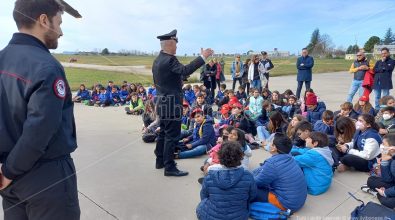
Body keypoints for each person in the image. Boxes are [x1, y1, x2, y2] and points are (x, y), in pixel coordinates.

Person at [0, 0, 81, 219]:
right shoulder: (46, 66)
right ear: (44, 20)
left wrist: (6, 170)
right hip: (46, 177)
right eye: (59, 22)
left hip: (9, 180)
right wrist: (10, 171)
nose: (61, 32)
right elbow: (40, 129)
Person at [152, 29, 213, 176]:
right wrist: (202, 57)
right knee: (171, 136)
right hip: (172, 104)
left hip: (162, 102)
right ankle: (170, 167)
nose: (177, 47)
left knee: (163, 134)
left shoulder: (158, 60)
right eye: (175, 43)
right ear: (170, 44)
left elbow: (173, 76)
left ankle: (160, 161)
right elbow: (185, 70)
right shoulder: (170, 59)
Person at [196, 141, 257, 220]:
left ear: (220, 156)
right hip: (239, 216)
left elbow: (204, 195)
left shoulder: (210, 175)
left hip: (211, 216)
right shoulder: (248, 176)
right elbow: (252, 195)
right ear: (241, 156)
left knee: (201, 205)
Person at [252, 133, 307, 212]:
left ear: (274, 148)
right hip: (298, 201)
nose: (268, 143)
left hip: (287, 204)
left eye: (270, 142)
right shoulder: (290, 158)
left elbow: (257, 182)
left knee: (249, 188)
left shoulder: (272, 164)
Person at [363, 133, 395, 209]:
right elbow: (387, 179)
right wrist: (384, 161)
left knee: (386, 201)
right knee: (371, 180)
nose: (381, 146)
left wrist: (385, 193)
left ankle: (379, 193)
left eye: (384, 144)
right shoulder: (390, 156)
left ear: (392, 149)